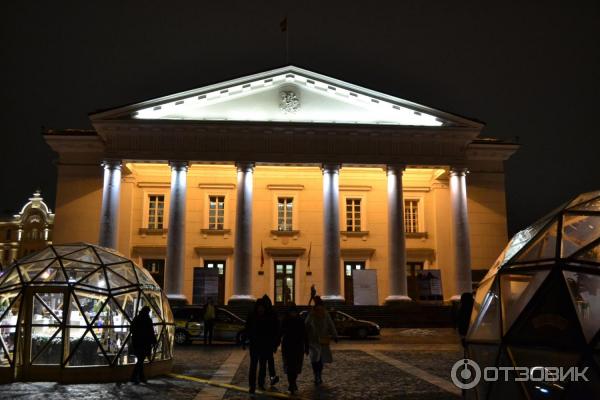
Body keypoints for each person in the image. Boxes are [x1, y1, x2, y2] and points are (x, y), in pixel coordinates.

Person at [243, 298, 278, 394]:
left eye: (262, 307)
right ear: (256, 307)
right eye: (259, 307)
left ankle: (261, 383)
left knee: (262, 366)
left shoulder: (268, 317)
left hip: (264, 345)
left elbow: (272, 331)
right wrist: (244, 340)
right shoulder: (252, 316)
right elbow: (247, 328)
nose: (260, 309)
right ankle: (252, 385)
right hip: (254, 345)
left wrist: (273, 343)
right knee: (253, 366)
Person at [305, 296, 338, 385]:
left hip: (313, 340)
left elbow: (306, 325)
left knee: (315, 359)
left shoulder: (312, 313)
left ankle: (316, 375)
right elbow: (331, 324)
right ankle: (318, 375)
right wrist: (335, 335)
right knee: (320, 359)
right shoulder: (324, 313)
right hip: (321, 339)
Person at [280, 302, 308, 394]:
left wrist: (306, 346)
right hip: (288, 346)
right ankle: (291, 384)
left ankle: (293, 382)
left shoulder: (300, 321)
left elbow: (304, 334)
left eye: (294, 312)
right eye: (291, 312)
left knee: (295, 366)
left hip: (298, 346)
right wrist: (275, 344)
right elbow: (280, 333)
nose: (293, 313)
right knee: (289, 366)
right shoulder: (285, 320)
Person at [130, 306, 157, 384]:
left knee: (140, 360)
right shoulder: (147, 319)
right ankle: (134, 377)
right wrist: (154, 342)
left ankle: (141, 377)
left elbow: (131, 329)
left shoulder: (136, 318)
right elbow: (151, 332)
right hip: (144, 343)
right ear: (147, 312)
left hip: (136, 342)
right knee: (140, 360)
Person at [261, 294, 281, 386]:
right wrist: (276, 343)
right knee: (269, 360)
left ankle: (262, 379)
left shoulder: (262, 314)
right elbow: (277, 329)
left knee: (264, 361)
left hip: (265, 341)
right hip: (268, 341)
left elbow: (277, 329)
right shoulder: (272, 314)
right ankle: (270, 377)